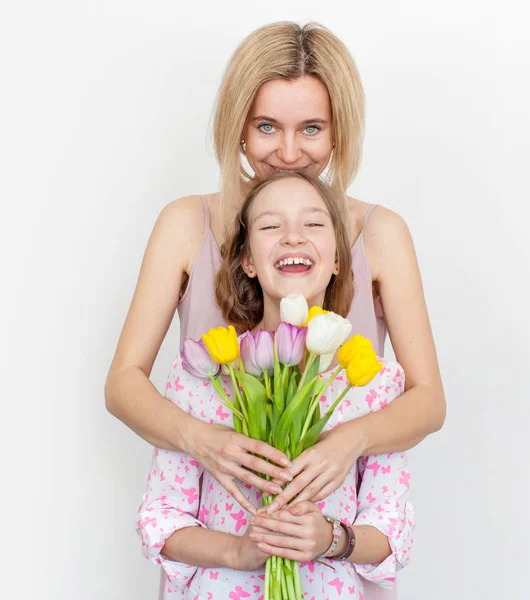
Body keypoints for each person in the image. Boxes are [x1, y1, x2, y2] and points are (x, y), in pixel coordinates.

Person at [105, 21, 444, 600]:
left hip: (334, 568)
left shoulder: (379, 234)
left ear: (340, 132)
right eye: (266, 127)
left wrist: (349, 442)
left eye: (311, 128)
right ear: (237, 127)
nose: (289, 153)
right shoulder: (187, 224)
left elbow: (427, 400)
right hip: (219, 568)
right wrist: (199, 437)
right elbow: (123, 384)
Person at [137, 171, 414, 600]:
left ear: (338, 258)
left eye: (314, 224)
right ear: (247, 259)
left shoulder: (371, 383)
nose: (293, 237)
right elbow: (162, 518)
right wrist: (238, 551)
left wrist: (330, 539)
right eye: (270, 226)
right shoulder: (202, 376)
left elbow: (391, 525)